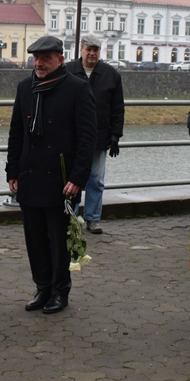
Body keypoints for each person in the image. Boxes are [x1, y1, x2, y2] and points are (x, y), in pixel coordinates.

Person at [6, 36, 96, 314]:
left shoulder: (77, 89)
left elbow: (87, 138)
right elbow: (16, 133)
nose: (39, 63)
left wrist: (78, 177)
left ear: (59, 58)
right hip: (30, 175)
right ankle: (42, 287)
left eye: (45, 58)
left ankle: (60, 291)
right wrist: (12, 170)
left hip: (62, 179)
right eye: (35, 58)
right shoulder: (25, 88)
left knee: (58, 240)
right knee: (34, 239)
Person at [66, 34, 123, 234]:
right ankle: (69, 217)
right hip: (71, 136)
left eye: (95, 50)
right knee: (71, 178)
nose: (92, 53)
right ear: (81, 49)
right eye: (88, 49)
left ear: (100, 52)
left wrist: (116, 136)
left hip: (99, 136)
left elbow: (117, 108)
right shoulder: (68, 71)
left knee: (96, 179)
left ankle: (92, 218)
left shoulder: (111, 75)